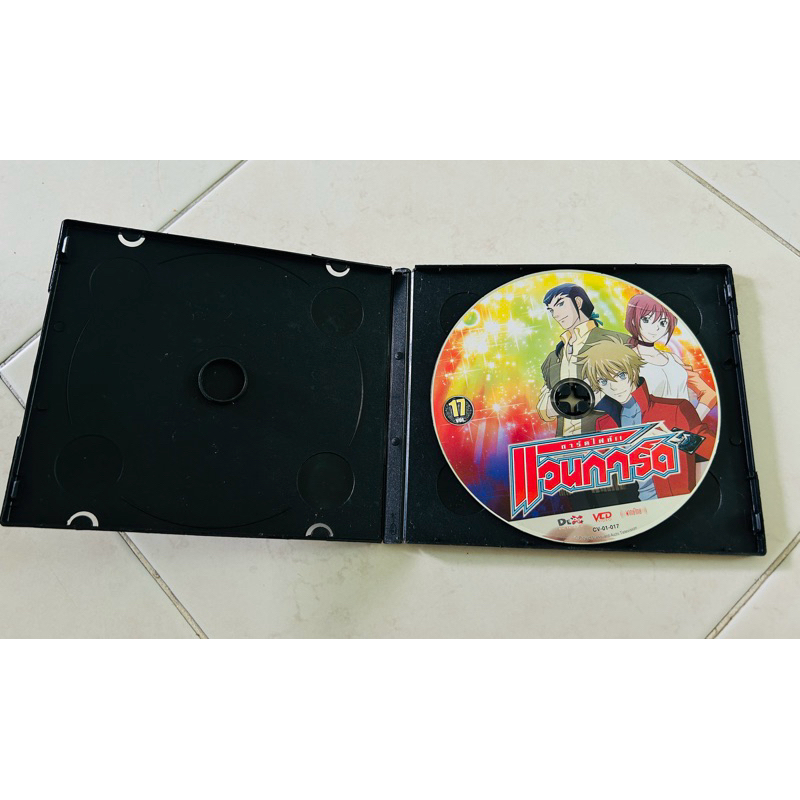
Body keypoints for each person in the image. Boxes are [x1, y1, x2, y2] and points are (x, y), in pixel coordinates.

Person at [579, 340, 715, 500]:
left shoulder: (674, 409)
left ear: (633, 371)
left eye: (621, 376)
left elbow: (712, 448)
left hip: (676, 502)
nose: (614, 386)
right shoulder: (606, 423)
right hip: (638, 506)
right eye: (603, 381)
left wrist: (674, 438)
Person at [537, 283, 627, 437]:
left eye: (560, 304)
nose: (556, 314)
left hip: (606, 439)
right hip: (564, 445)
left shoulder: (615, 341)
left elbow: (633, 395)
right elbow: (543, 409)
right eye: (551, 310)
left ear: (578, 302)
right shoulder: (553, 358)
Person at [624, 293, 716, 420]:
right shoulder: (626, 359)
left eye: (663, 323)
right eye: (646, 320)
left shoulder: (673, 359)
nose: (655, 328)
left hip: (682, 429)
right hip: (651, 428)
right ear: (633, 320)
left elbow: (709, 394)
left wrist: (692, 421)